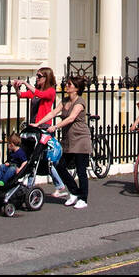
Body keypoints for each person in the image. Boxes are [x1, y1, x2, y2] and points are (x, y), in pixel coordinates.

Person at [14, 68, 68, 197]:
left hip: (44, 128)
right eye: (37, 75)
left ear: (46, 78)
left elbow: (41, 95)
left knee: (46, 160)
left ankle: (59, 185)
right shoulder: (37, 91)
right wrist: (16, 88)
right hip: (34, 128)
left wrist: (26, 84)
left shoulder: (50, 91)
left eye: (39, 76)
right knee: (33, 158)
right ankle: (30, 185)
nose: (37, 78)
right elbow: (22, 95)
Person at [40, 76, 91, 209]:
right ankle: (74, 192)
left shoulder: (80, 102)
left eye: (69, 84)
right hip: (68, 140)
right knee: (59, 165)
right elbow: (53, 113)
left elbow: (71, 118)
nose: (66, 86)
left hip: (80, 139)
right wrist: (38, 123)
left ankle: (83, 198)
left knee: (81, 171)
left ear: (76, 88)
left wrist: (56, 127)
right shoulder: (65, 101)